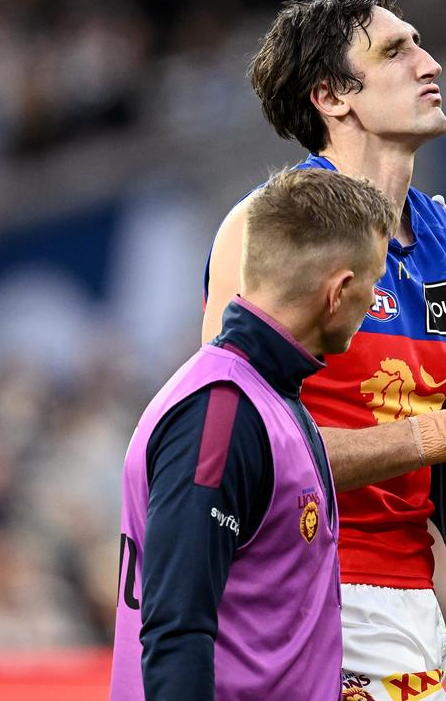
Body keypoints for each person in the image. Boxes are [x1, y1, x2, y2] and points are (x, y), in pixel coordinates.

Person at [201, 0, 446, 699]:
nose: (430, 62)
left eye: (420, 43)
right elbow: (238, 455)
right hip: (285, 588)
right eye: (396, 51)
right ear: (332, 96)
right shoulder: (265, 232)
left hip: (410, 607)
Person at [109, 168, 398, 701]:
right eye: (375, 282)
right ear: (339, 292)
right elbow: (177, 629)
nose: (376, 301)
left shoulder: (269, 398)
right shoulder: (221, 415)